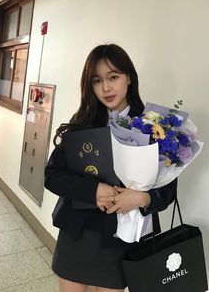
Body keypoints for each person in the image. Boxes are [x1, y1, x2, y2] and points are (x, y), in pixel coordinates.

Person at [44, 44, 177, 292]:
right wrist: (93, 190)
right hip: (79, 233)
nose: (106, 87)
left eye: (113, 77)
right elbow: (52, 176)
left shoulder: (154, 126)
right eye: (97, 80)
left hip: (123, 239)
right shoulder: (82, 124)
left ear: (129, 78)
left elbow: (168, 191)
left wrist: (142, 198)